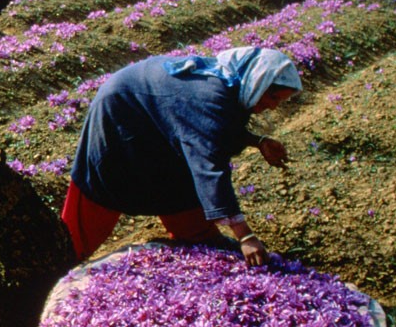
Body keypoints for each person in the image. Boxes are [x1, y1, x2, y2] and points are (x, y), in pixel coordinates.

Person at [62, 47, 303, 267]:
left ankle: (198, 235)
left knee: (176, 181)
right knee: (106, 182)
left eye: (280, 102)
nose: (273, 107)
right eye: (273, 98)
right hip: (120, 113)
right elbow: (210, 167)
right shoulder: (209, 96)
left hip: (155, 123)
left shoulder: (232, 83)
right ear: (258, 82)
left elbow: (219, 128)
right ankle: (63, 258)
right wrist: (245, 235)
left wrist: (258, 142)